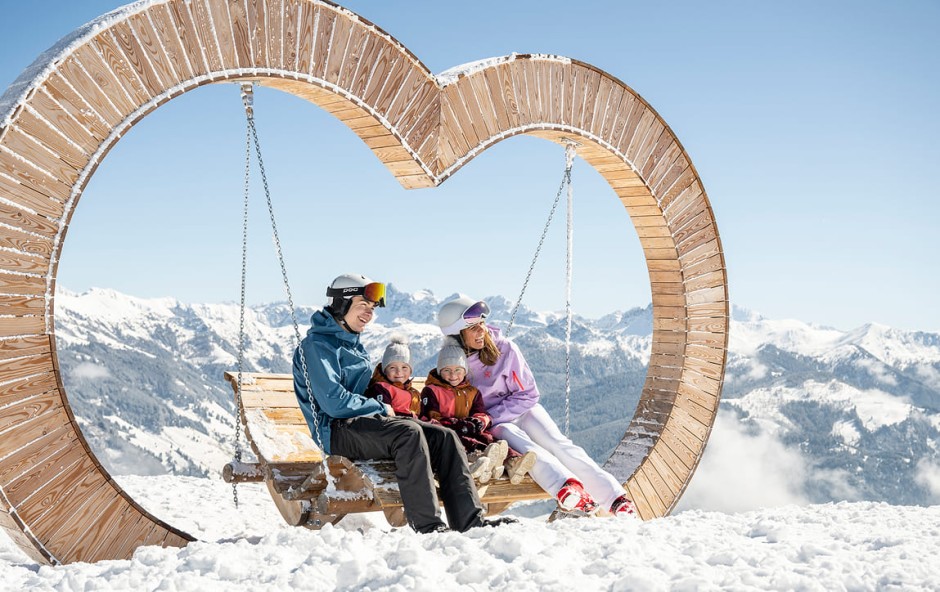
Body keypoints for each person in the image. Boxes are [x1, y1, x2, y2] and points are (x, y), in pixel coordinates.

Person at [293, 274, 516, 533]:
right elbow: (333, 402)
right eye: (363, 305)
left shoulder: (352, 344)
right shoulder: (317, 347)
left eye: (372, 308)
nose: (369, 314)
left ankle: (470, 522)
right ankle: (428, 525)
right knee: (408, 433)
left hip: (364, 425)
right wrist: (380, 407)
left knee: (444, 437)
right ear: (341, 304)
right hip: (335, 430)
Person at [437, 294, 636, 517]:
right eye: (473, 328)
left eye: (482, 324)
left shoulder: (505, 349)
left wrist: (490, 417)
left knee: (558, 444)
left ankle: (615, 499)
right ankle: (567, 488)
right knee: (527, 448)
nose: (481, 331)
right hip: (495, 423)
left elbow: (529, 393)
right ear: (457, 334)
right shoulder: (453, 363)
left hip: (521, 410)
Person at [422, 338, 537, 485]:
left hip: (466, 428)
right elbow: (431, 418)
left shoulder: (472, 392)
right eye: (447, 370)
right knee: (463, 440)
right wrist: (460, 424)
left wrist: (479, 421)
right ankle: (478, 462)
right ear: (440, 371)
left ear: (465, 371)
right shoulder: (432, 391)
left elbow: (479, 411)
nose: (453, 375)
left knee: (488, 437)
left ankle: (512, 461)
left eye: (458, 370)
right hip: (445, 432)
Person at [363, 335, 421, 417]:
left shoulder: (413, 392)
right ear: (385, 370)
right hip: (393, 422)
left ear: (410, 370)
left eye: (404, 367)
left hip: (411, 422)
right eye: (392, 368)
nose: (399, 372)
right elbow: (384, 414)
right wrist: (411, 416)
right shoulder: (381, 388)